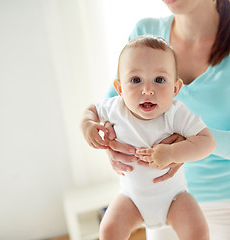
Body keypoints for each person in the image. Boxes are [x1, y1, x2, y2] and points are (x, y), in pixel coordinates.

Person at [83, 0, 230, 239]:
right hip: (156, 197)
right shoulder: (145, 34)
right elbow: (110, 111)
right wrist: (108, 143)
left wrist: (190, 144)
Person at [81, 34, 215, 240]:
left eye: (159, 80)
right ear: (119, 88)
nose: (148, 90)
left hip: (174, 199)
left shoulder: (176, 113)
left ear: (175, 88)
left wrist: (172, 152)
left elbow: (207, 142)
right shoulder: (115, 108)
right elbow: (90, 110)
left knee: (198, 231)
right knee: (108, 230)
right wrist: (88, 125)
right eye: (135, 80)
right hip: (131, 200)